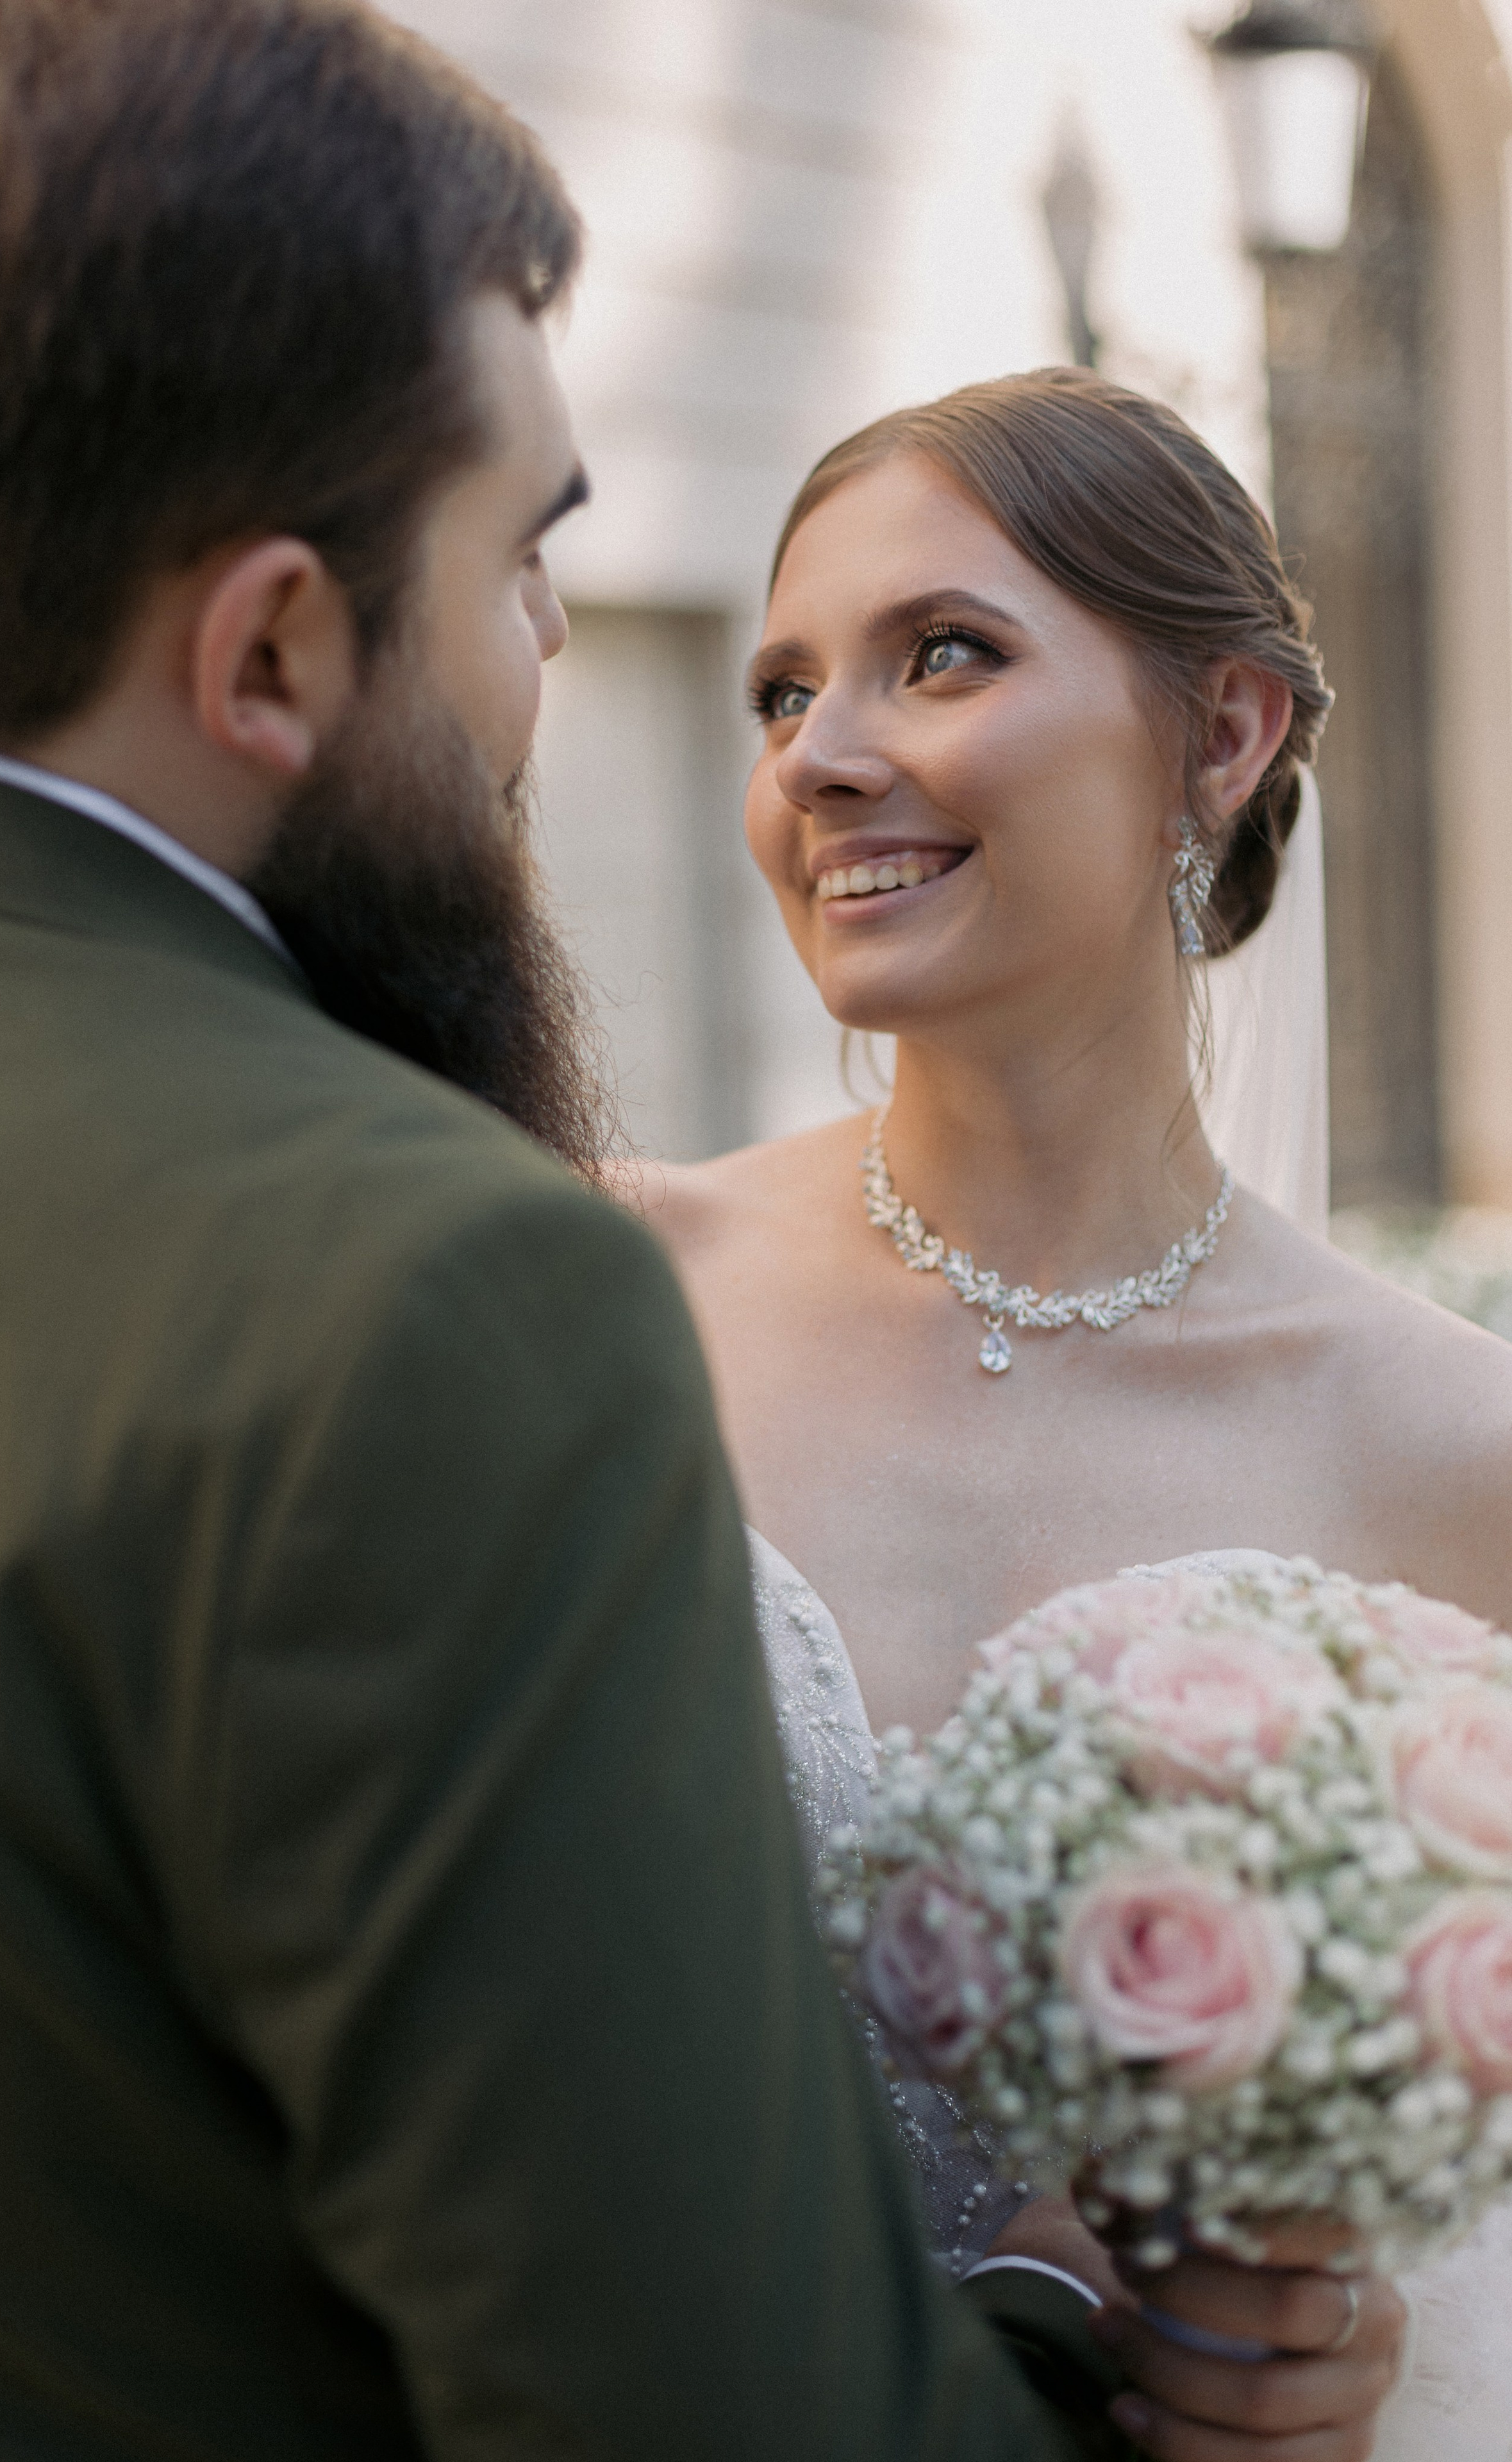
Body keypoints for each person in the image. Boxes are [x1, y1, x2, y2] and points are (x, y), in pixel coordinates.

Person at [0, 7, 1143, 2454]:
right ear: (272, 651)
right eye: (530, 557)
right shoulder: (430, 1291)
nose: (556, 652)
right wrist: (1058, 2329)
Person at [641, 370, 1511, 2458]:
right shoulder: (601, 1296)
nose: (822, 760)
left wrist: (1321, 2351)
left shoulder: (1458, 1447)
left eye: (941, 654)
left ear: (1221, 734)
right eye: (778, 694)